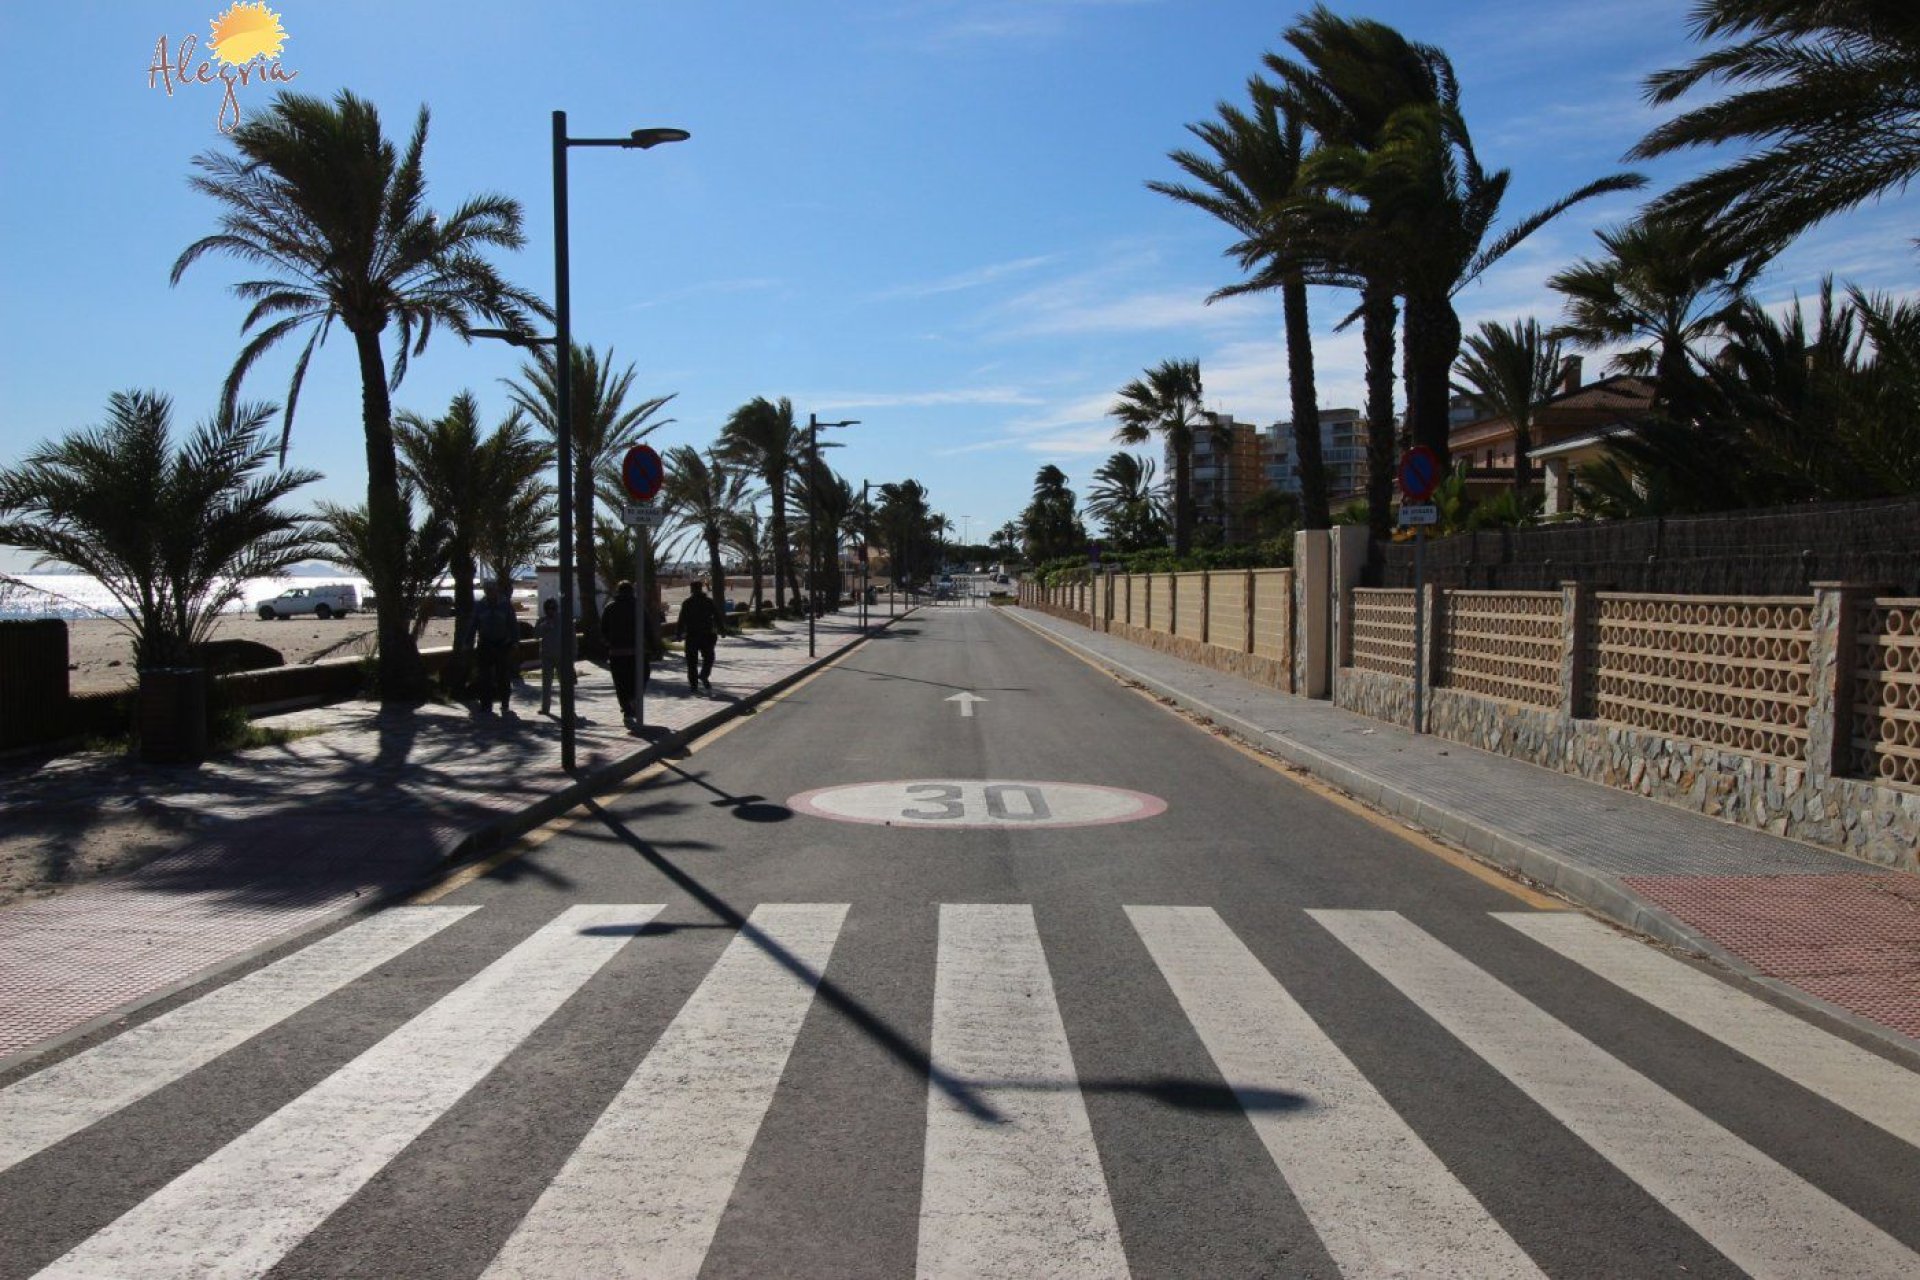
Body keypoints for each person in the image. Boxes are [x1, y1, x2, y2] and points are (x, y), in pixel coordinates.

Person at [469, 582, 519, 716]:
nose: (490, 592)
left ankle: (505, 703)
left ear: (497, 590)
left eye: (492, 590)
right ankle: (486, 704)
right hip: (485, 645)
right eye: (487, 590)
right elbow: (473, 624)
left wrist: (515, 642)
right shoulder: (480, 605)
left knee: (503, 676)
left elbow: (513, 624)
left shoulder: (505, 605)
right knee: (484, 677)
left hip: (502, 645)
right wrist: (468, 642)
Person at [601, 580, 639, 723]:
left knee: (620, 683)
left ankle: (627, 709)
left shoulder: (610, 608)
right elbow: (647, 626)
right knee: (635, 680)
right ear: (631, 591)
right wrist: (653, 646)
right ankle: (632, 701)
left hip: (616, 652)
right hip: (635, 652)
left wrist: (608, 643)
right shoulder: (637, 606)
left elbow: (603, 629)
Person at [678, 578, 722, 693]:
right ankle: (702, 676)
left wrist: (678, 633)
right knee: (708, 658)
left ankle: (694, 684)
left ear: (692, 589)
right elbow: (717, 617)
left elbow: (681, 620)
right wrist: (722, 629)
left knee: (692, 662)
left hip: (693, 636)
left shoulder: (688, 602)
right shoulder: (707, 601)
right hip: (705, 635)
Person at [534, 597, 565, 716]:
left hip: (561, 656)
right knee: (546, 683)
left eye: (552, 608)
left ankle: (567, 707)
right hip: (547, 656)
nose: (550, 611)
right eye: (548, 609)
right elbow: (536, 635)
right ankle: (545, 708)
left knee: (565, 684)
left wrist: (573, 653)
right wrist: (543, 626)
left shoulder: (563, 620)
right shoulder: (542, 621)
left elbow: (571, 637)